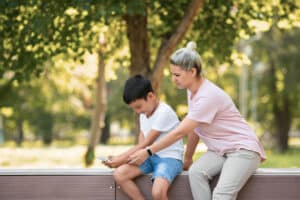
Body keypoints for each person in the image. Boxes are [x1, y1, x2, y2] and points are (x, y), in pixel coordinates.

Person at [128, 42, 266, 200]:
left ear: (192, 72)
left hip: (243, 149)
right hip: (220, 149)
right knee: (195, 173)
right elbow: (194, 127)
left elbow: (179, 132)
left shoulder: (207, 96)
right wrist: (188, 158)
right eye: (172, 74)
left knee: (221, 195)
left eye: (177, 75)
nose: (173, 79)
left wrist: (148, 151)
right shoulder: (192, 91)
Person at [103, 75, 184, 200]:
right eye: (134, 108)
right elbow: (141, 146)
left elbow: (146, 143)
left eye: (138, 106)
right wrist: (120, 159)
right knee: (119, 174)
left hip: (169, 159)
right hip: (149, 157)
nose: (137, 111)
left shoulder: (164, 112)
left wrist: (121, 159)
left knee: (157, 193)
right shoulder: (143, 113)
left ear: (151, 96)